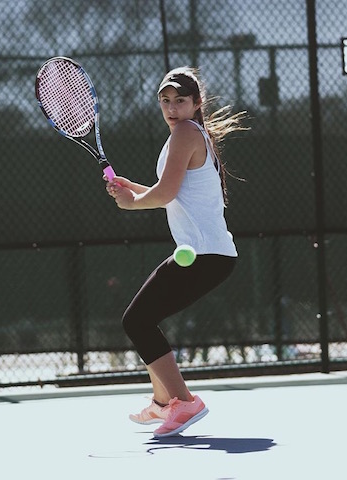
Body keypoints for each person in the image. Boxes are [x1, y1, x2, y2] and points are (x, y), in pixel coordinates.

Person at [105, 66, 247, 438]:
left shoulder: (185, 131)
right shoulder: (185, 135)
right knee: (141, 319)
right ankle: (162, 402)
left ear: (196, 103)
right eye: (165, 101)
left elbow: (165, 195)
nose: (172, 107)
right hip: (206, 254)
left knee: (136, 321)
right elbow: (173, 191)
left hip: (204, 255)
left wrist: (131, 204)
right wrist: (131, 188)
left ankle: (183, 401)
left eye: (180, 100)